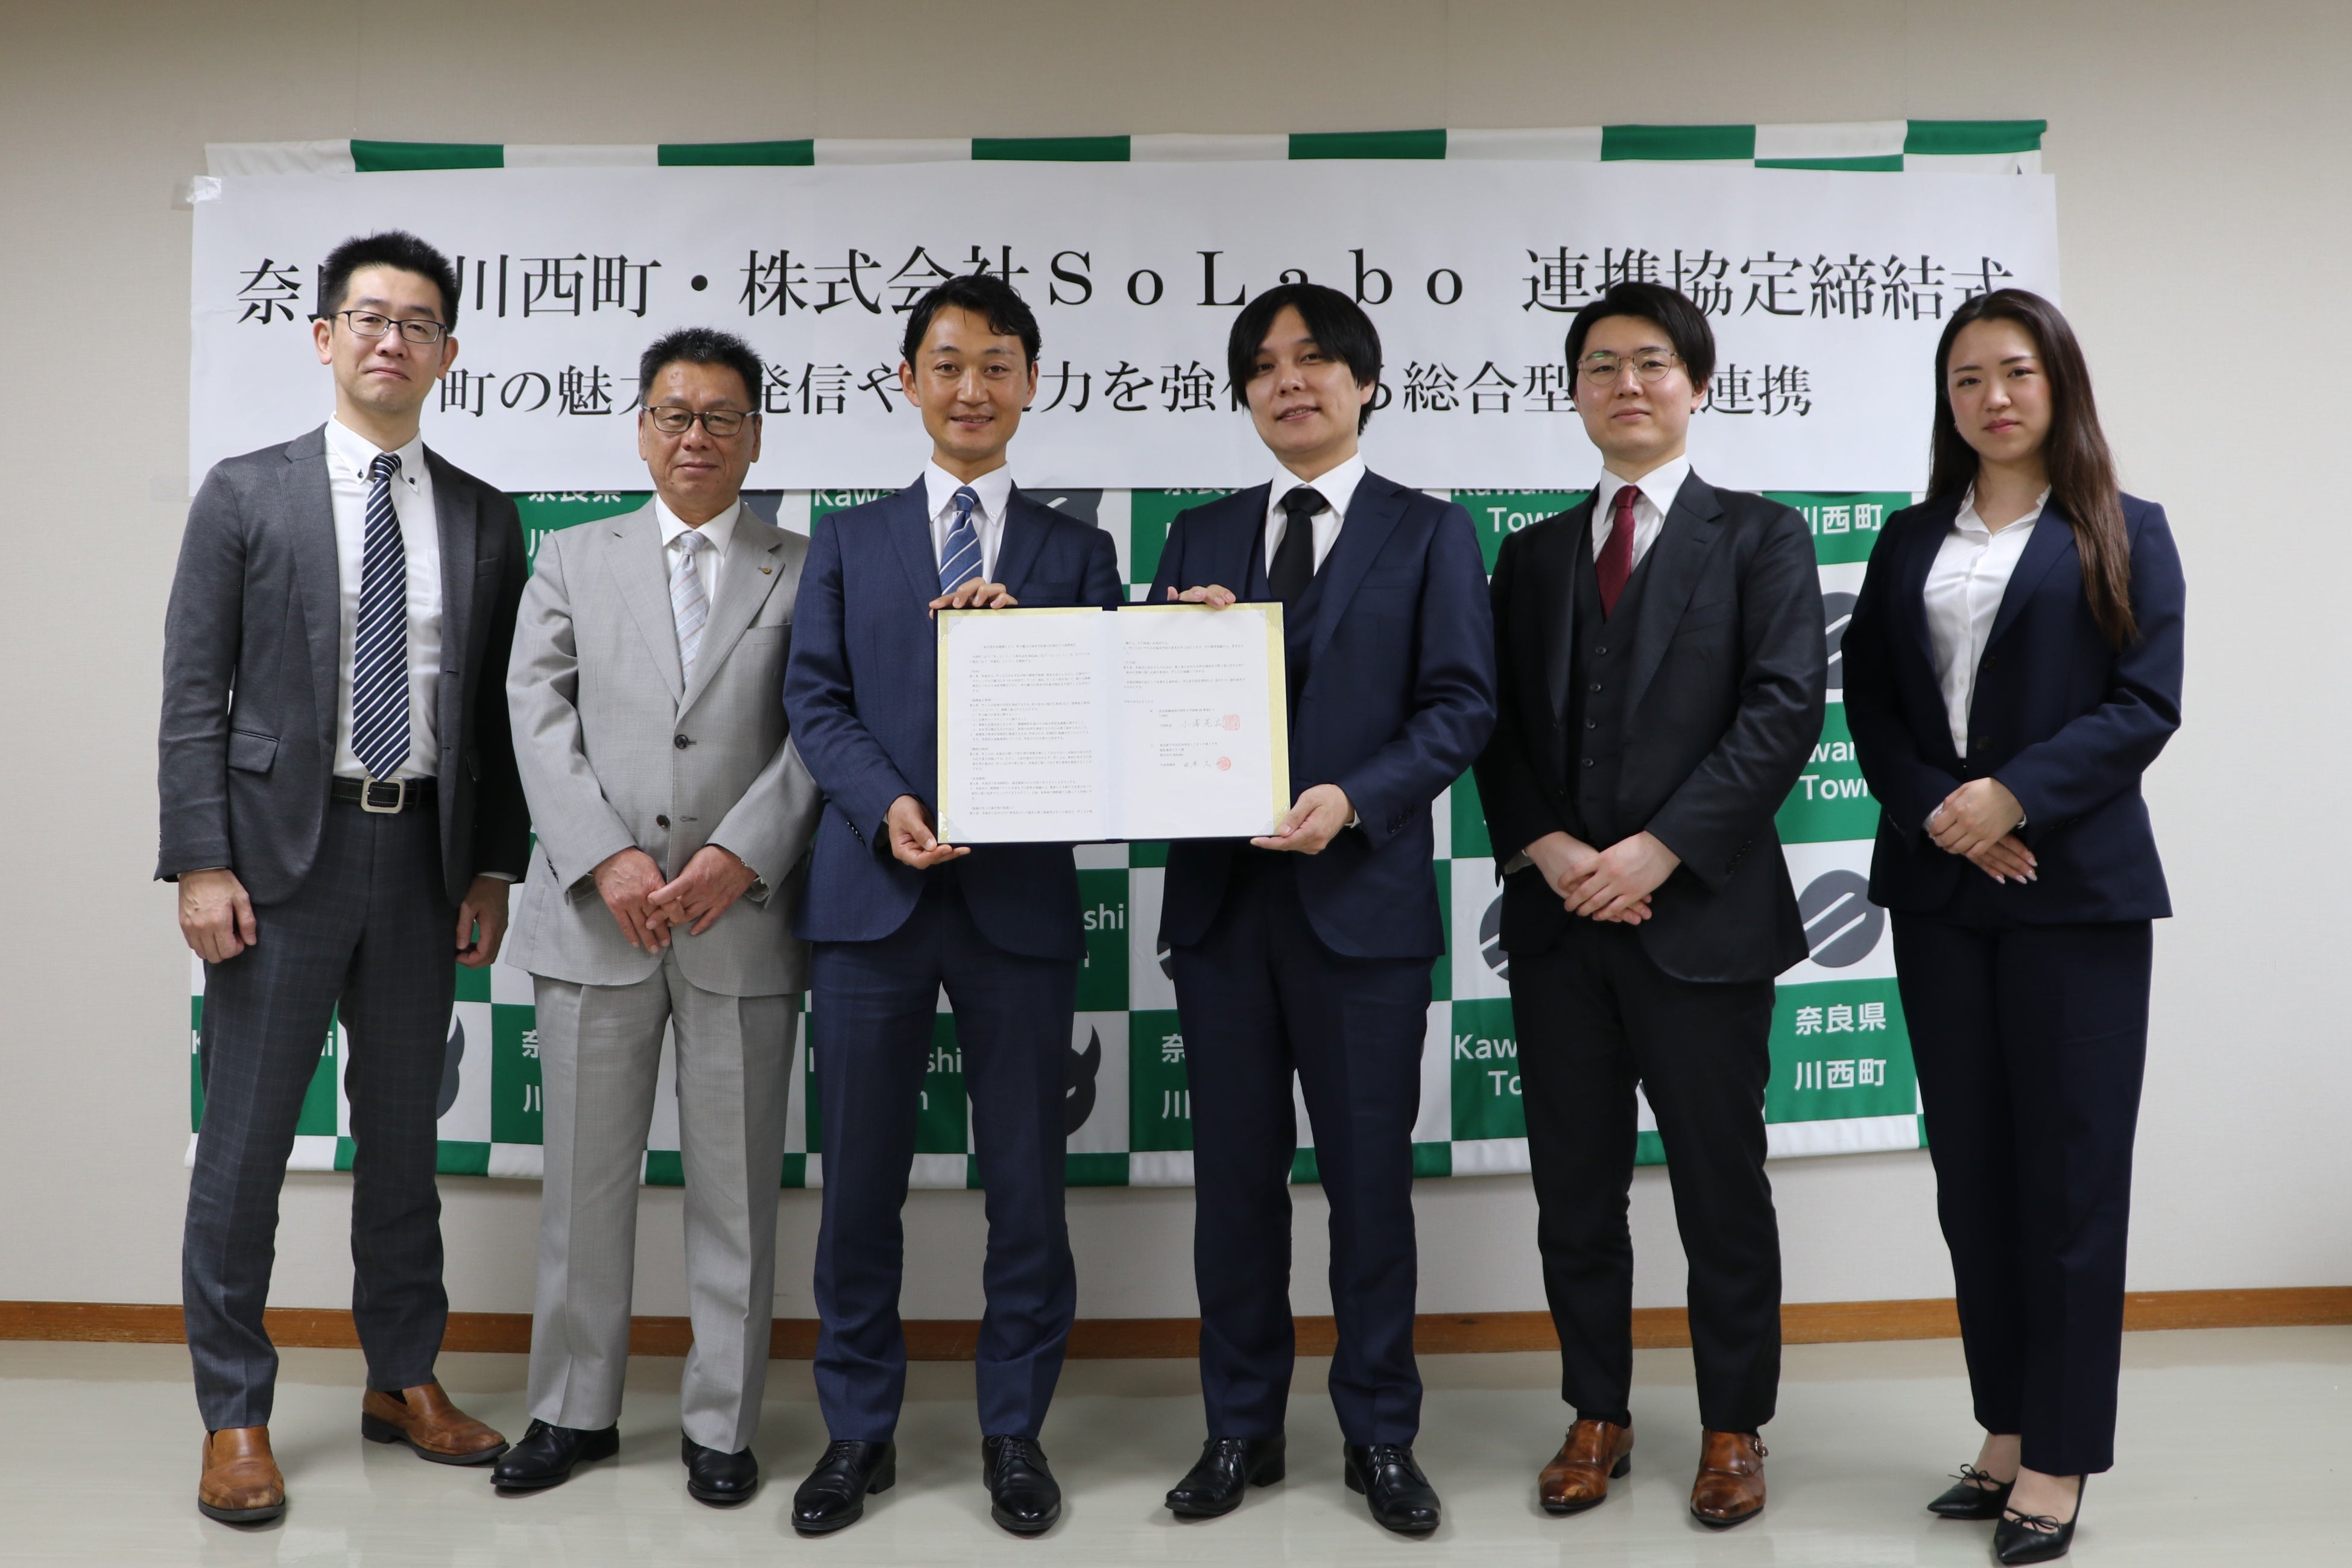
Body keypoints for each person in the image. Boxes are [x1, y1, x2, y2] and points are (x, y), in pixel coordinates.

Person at [159, 230, 528, 1524]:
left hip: (423, 859)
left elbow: (494, 718)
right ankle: (235, 1412)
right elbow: (192, 694)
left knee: (405, 1145)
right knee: (246, 1148)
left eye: (418, 323)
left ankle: (402, 1377)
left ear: (447, 353)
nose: (391, 341)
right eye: (369, 318)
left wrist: (493, 866)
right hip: (277, 863)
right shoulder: (245, 493)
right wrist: (200, 860)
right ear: (325, 337)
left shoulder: (484, 513)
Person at [1473, 281, 1826, 1528]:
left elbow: (1783, 709)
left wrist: (1658, 852)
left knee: (1721, 1190)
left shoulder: (1762, 537)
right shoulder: (1530, 554)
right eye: (1602, 366)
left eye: (1653, 363)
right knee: (1575, 1190)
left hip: (1703, 925)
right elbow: (1493, 724)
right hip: (1560, 923)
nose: (1627, 384)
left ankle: (1734, 1424)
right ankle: (1598, 1410)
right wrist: (1553, 847)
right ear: (1574, 393)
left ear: (1697, 386)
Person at [1146, 282, 1496, 1537]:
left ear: (1365, 382)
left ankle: (1381, 1433)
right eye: (1262, 366)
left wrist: (1355, 799)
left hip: (1364, 911)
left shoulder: (1431, 532)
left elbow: (1461, 705)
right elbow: (1151, 709)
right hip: (1224, 913)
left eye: (1312, 359)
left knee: (1369, 1190)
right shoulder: (1196, 535)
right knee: (1233, 1190)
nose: (1287, 381)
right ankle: (1238, 1427)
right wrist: (1171, 650)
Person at [1843, 289, 2182, 1565]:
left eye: (2017, 372)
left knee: (2071, 1179)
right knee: (1975, 1173)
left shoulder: (2126, 530)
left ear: (2059, 385)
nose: (1993, 396)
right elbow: (1871, 702)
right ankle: (2005, 1425)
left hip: (2074, 894)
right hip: (1942, 892)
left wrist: (2013, 795)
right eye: (1968, 378)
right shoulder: (1907, 538)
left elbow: (2144, 702)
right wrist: (1947, 812)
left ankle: (2061, 1453)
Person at [780, 274, 1121, 1538]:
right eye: (947, 364)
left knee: (1026, 1184)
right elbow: (815, 701)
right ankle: (856, 1431)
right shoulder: (847, 539)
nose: (971, 388)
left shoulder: (1078, 554)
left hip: (1018, 906)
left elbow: (1108, 713)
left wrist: (1033, 640)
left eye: (997, 366)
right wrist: (887, 807)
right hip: (870, 895)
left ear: (1032, 383)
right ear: (909, 381)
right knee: (858, 1184)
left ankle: (1014, 1431)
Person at [495, 328, 821, 1504]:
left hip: (743, 919)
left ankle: (722, 1424)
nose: (696, 437)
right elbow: (536, 716)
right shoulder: (572, 557)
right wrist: (609, 860)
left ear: (755, 437)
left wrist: (742, 851)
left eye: (722, 417)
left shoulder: (805, 564)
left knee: (736, 1191)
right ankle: (571, 1410)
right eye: (675, 415)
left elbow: (820, 728)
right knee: (584, 1190)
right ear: (641, 428)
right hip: (600, 920)